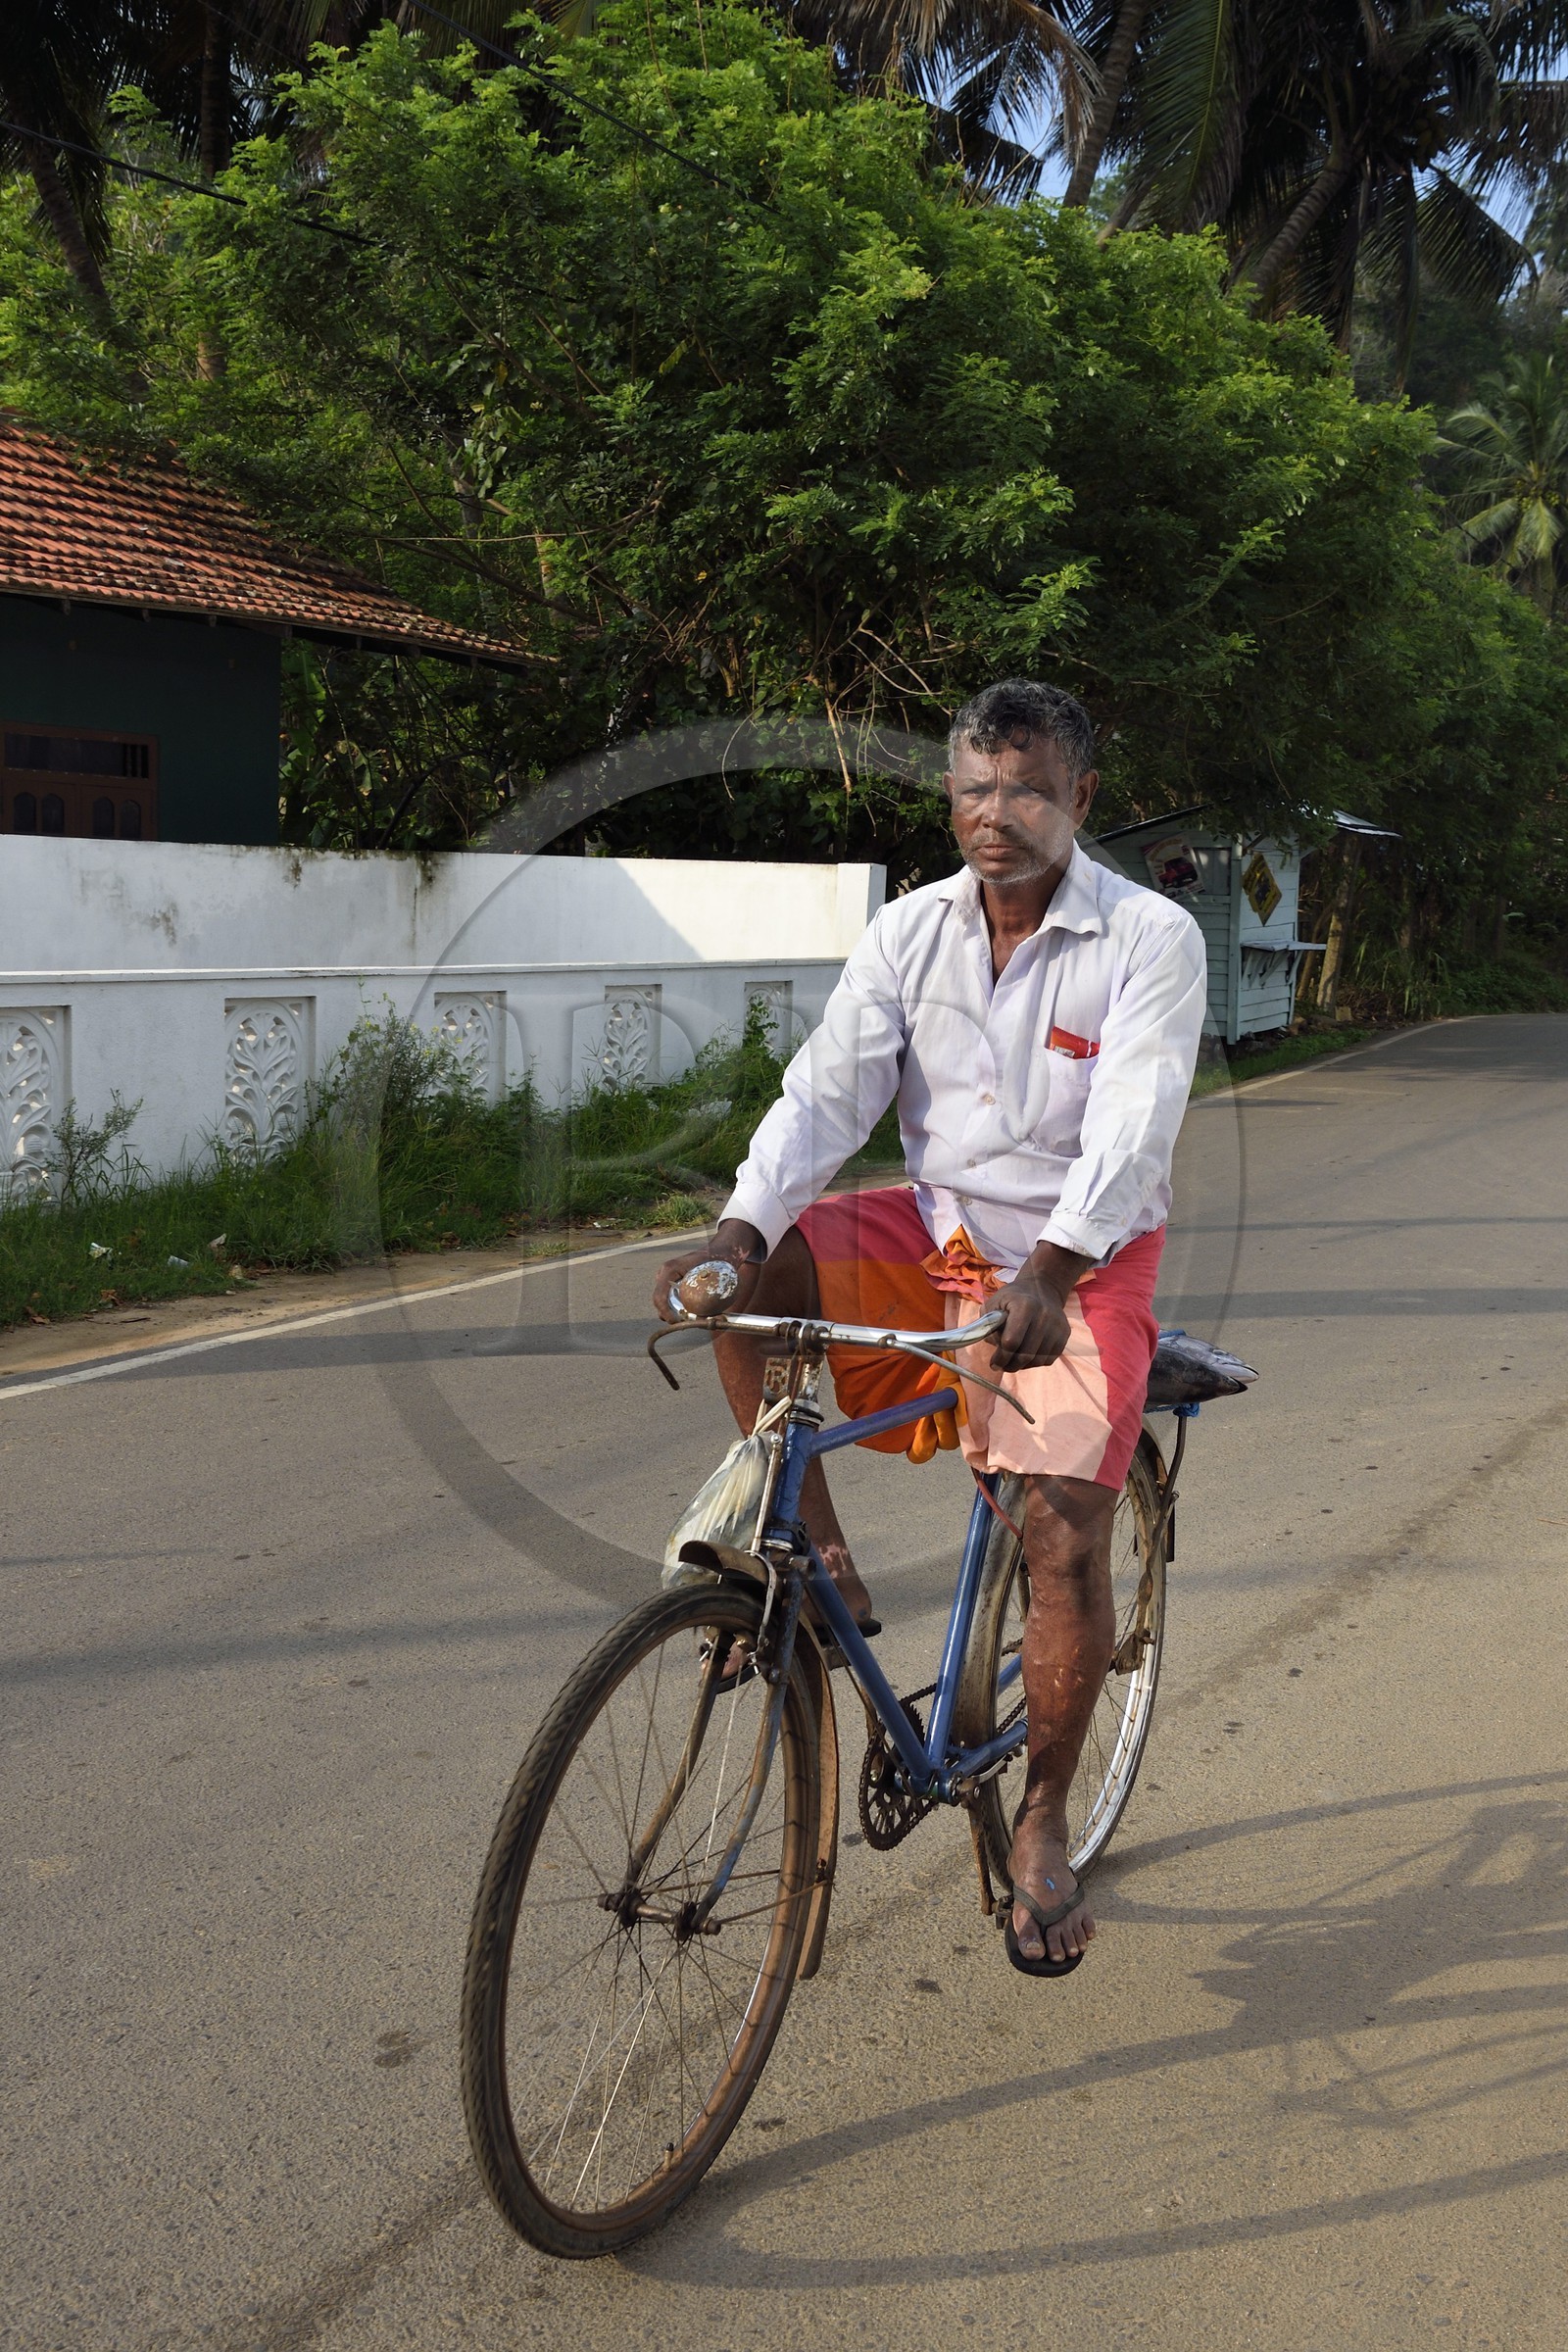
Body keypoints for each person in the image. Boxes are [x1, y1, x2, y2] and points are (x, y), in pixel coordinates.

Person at [654, 678, 1205, 1976]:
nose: (994, 814)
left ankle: (1044, 1832)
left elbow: (1131, 1131)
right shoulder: (912, 934)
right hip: (943, 1236)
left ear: (1080, 796)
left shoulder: (1149, 939)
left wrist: (1055, 1276)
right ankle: (814, 1557)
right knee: (767, 1266)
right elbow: (822, 1095)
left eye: (1023, 787)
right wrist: (736, 1233)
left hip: (1084, 1258)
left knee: (1060, 1532)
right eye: (971, 788)